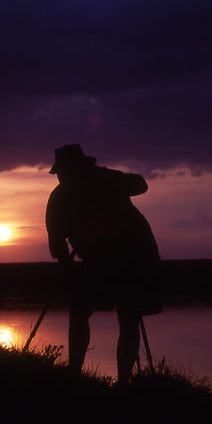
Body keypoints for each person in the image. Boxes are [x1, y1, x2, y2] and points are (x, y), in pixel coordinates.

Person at [45, 144, 162, 382]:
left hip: (134, 254)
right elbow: (57, 244)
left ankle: (124, 382)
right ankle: (74, 374)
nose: (60, 176)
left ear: (78, 168)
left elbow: (141, 184)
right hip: (97, 258)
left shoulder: (106, 179)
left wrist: (107, 180)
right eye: (59, 173)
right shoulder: (58, 199)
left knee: (128, 314)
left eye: (63, 171)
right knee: (79, 310)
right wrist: (70, 271)